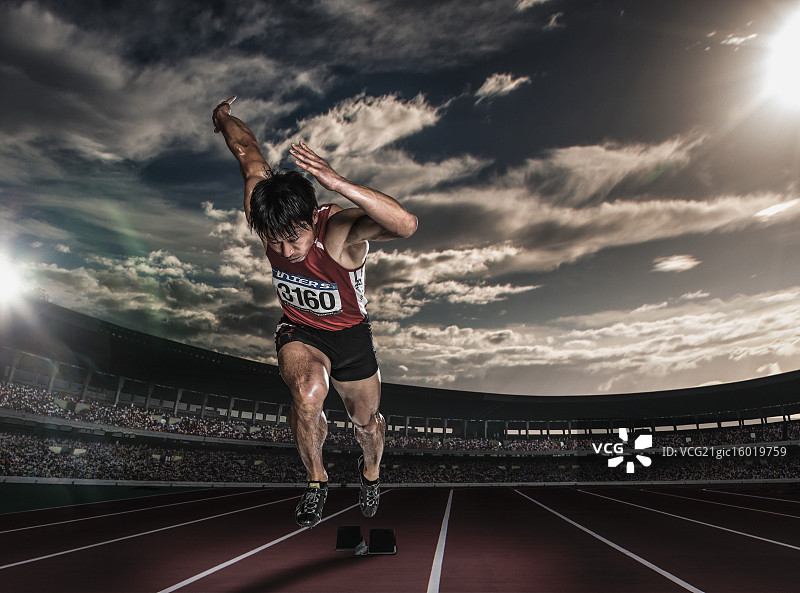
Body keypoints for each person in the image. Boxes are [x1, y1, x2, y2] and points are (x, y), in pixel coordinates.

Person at [212, 96, 417, 527]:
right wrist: (221, 118)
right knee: (306, 394)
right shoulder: (264, 210)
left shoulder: (338, 230)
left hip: (351, 336)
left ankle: (371, 473)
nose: (285, 252)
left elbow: (405, 226)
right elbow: (248, 152)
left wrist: (339, 183)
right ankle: (316, 480)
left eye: (295, 239)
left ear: (312, 218)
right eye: (275, 243)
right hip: (300, 330)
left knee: (367, 425)